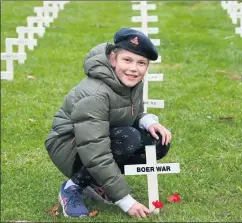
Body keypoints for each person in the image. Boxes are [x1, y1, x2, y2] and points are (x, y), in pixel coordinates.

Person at [45, 27, 172, 218]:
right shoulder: (95, 93)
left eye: (141, 63)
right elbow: (94, 148)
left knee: (157, 142)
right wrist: (125, 200)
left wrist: (148, 121)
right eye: (127, 60)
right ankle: (72, 187)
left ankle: (95, 182)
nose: (133, 69)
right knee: (128, 138)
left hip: (100, 137)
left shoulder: (131, 81)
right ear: (113, 59)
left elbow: (129, 113)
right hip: (69, 145)